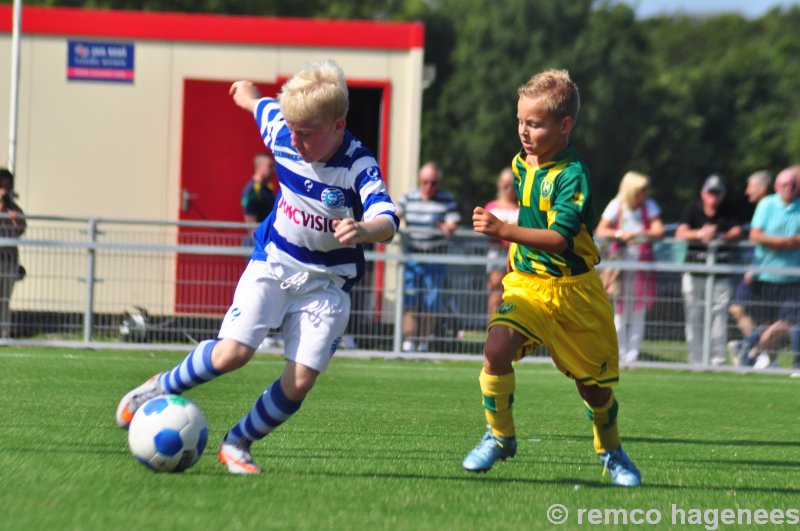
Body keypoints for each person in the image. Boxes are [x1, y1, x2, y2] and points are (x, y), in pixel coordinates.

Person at [115, 59, 399, 475]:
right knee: (232, 353)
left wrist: (363, 228)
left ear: (337, 126)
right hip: (275, 262)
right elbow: (260, 106)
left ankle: (237, 443)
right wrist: (246, 94)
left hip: (327, 284)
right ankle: (159, 387)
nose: (295, 139)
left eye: (306, 133)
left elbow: (388, 220)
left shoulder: (358, 163)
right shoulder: (284, 129)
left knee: (300, 381)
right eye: (291, 129)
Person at [465, 69, 641, 487]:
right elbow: (531, 220)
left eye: (535, 124)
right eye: (521, 121)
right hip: (527, 285)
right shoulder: (520, 164)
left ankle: (611, 451)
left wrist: (502, 230)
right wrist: (513, 251)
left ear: (565, 126)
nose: (524, 132)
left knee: (593, 390)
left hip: (575, 293)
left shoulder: (572, 175)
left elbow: (560, 239)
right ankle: (500, 435)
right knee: (495, 349)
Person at [735, 166, 800, 369]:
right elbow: (755, 235)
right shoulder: (766, 204)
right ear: (776, 186)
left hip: (791, 277)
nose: (788, 188)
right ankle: (753, 350)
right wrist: (782, 242)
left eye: (793, 184)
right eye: (783, 184)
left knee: (789, 321)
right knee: (767, 322)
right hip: (765, 275)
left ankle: (749, 347)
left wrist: (784, 242)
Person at [596, 171, 664, 363]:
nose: (645, 193)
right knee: (620, 311)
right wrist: (620, 233)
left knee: (638, 311)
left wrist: (640, 234)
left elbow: (658, 230)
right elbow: (602, 229)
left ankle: (633, 354)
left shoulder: (649, 206)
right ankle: (619, 353)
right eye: (641, 190)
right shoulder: (617, 205)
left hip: (642, 265)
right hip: (620, 266)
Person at [675, 174, 744, 365]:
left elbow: (737, 232)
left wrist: (719, 236)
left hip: (720, 272)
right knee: (694, 314)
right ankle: (695, 359)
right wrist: (700, 234)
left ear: (723, 194)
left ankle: (717, 359)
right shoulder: (692, 209)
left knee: (718, 315)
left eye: (717, 193)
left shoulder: (729, 210)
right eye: (710, 192)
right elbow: (680, 233)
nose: (713, 197)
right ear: (703, 193)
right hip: (694, 270)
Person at [396, 162, 461, 352]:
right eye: (425, 182)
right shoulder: (408, 197)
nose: (429, 186)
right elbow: (394, 216)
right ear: (420, 180)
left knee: (432, 301)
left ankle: (424, 342)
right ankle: (409, 341)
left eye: (433, 183)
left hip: (435, 256)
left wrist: (442, 226)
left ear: (439, 182)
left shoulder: (446, 199)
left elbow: (452, 226)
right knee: (410, 298)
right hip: (413, 255)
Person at [727, 170, 772, 361]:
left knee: (775, 318)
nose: (746, 192)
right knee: (741, 309)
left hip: (768, 269)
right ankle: (759, 351)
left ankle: (753, 349)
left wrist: (755, 267)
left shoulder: (769, 206)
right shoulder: (764, 206)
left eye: (750, 187)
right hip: (760, 267)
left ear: (762, 189)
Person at [483, 167, 519, 321]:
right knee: (496, 292)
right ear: (499, 185)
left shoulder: (521, 206)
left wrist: (503, 227)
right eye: (506, 186)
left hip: (517, 253)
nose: (509, 190)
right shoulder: (492, 206)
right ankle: (492, 330)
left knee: (514, 295)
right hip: (497, 253)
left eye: (513, 186)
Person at [0, 168, 25, 339]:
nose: (4, 190)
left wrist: (16, 222)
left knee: (4, 300)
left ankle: (3, 334)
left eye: (7, 187)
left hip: (8, 260)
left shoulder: (14, 209)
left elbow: (21, 230)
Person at [241, 152, 277, 224]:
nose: (273, 170)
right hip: (259, 234)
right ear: (259, 167)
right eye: (270, 166)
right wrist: (255, 235)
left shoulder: (269, 187)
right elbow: (250, 222)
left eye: (273, 166)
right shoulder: (252, 190)